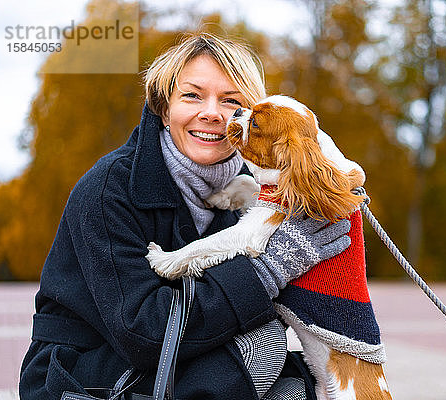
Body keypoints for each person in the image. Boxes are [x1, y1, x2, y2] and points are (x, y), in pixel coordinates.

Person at [19, 33, 352, 400]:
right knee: (260, 351)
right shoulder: (108, 189)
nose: (211, 113)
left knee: (298, 385)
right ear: (164, 109)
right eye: (192, 95)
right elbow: (142, 332)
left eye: (231, 100)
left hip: (175, 357)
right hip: (83, 372)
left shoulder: (249, 196)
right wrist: (267, 271)